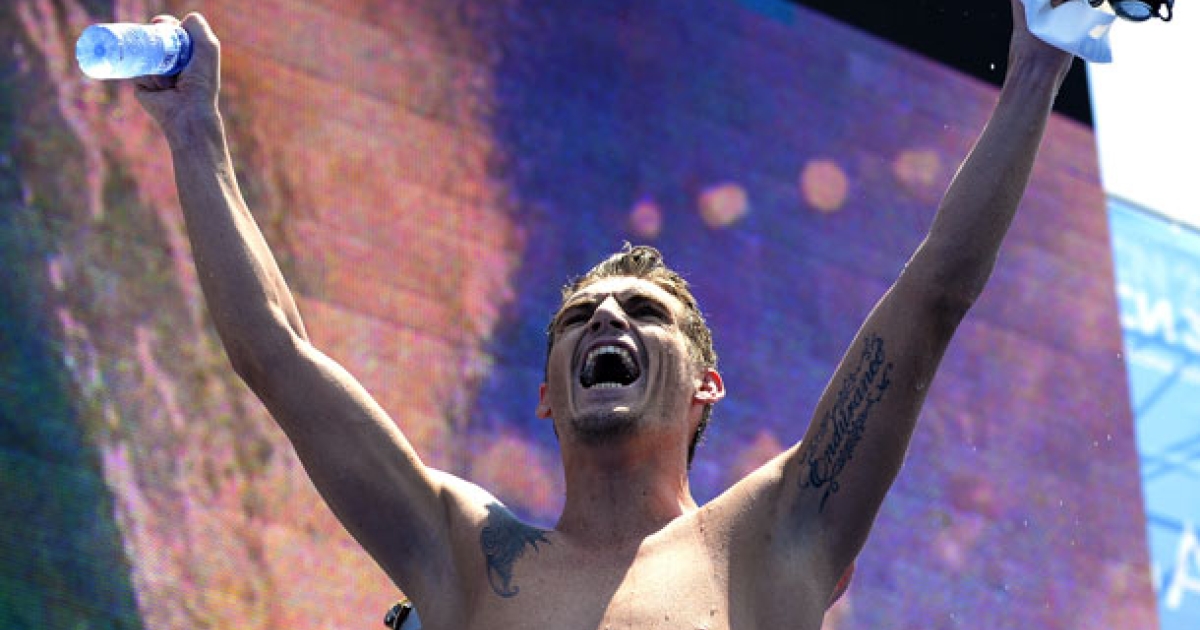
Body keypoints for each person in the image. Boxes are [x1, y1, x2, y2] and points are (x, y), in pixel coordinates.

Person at [133, 1, 1075, 628]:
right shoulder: (468, 555)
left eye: (643, 312)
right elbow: (274, 352)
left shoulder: (776, 534)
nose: (606, 319)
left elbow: (934, 296)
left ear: (706, 385)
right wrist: (195, 130)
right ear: (547, 395)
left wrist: (1035, 65)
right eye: (579, 316)